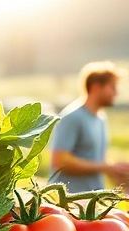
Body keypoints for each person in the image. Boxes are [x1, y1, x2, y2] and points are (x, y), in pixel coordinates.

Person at [49, 61, 129, 193]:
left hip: (93, 200)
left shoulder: (101, 117)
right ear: (96, 87)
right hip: (70, 203)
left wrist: (115, 171)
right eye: (112, 87)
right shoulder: (72, 117)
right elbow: (60, 160)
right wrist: (106, 167)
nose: (116, 93)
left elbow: (94, 160)